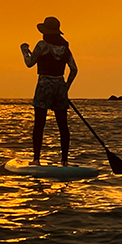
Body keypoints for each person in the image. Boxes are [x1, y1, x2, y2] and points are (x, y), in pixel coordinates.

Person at [20, 16, 78, 166]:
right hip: (59, 85)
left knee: (39, 124)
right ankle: (65, 161)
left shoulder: (41, 46)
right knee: (62, 125)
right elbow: (74, 69)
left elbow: (29, 63)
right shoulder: (65, 48)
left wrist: (24, 51)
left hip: (44, 85)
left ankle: (36, 160)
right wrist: (66, 87)